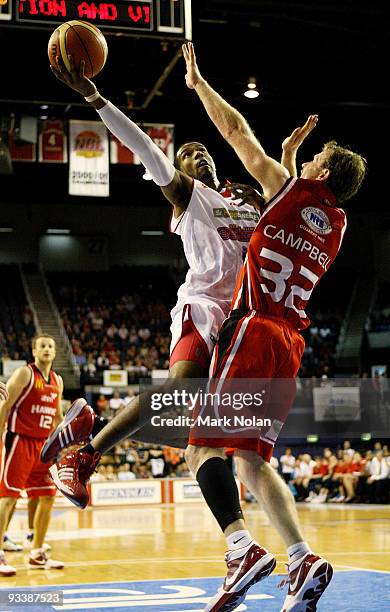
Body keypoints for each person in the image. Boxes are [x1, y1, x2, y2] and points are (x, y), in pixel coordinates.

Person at [176, 42, 366, 611]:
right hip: (292, 342)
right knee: (251, 461)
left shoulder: (291, 188)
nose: (304, 165)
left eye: (313, 161)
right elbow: (294, 208)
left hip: (254, 330)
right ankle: (302, 556)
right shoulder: (338, 221)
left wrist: (198, 85)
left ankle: (241, 548)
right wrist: (291, 160)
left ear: (321, 171)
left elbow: (235, 132)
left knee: (200, 447)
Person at [39, 51, 265, 470]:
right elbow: (144, 146)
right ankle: (86, 456)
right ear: (178, 169)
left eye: (204, 151)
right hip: (204, 307)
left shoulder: (247, 198)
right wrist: (95, 97)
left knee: (204, 428)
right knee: (179, 389)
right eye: (188, 154)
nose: (200, 155)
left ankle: (85, 426)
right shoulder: (188, 195)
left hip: (245, 320)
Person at [0, 334, 65, 576]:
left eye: (50, 346)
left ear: (55, 352)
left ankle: (37, 553)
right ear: (34, 351)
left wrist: (64, 443)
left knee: (47, 496)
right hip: (19, 440)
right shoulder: (24, 374)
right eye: (42, 346)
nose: (47, 349)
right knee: (8, 497)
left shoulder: (57, 380)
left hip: (44, 445)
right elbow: (5, 406)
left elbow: (57, 417)